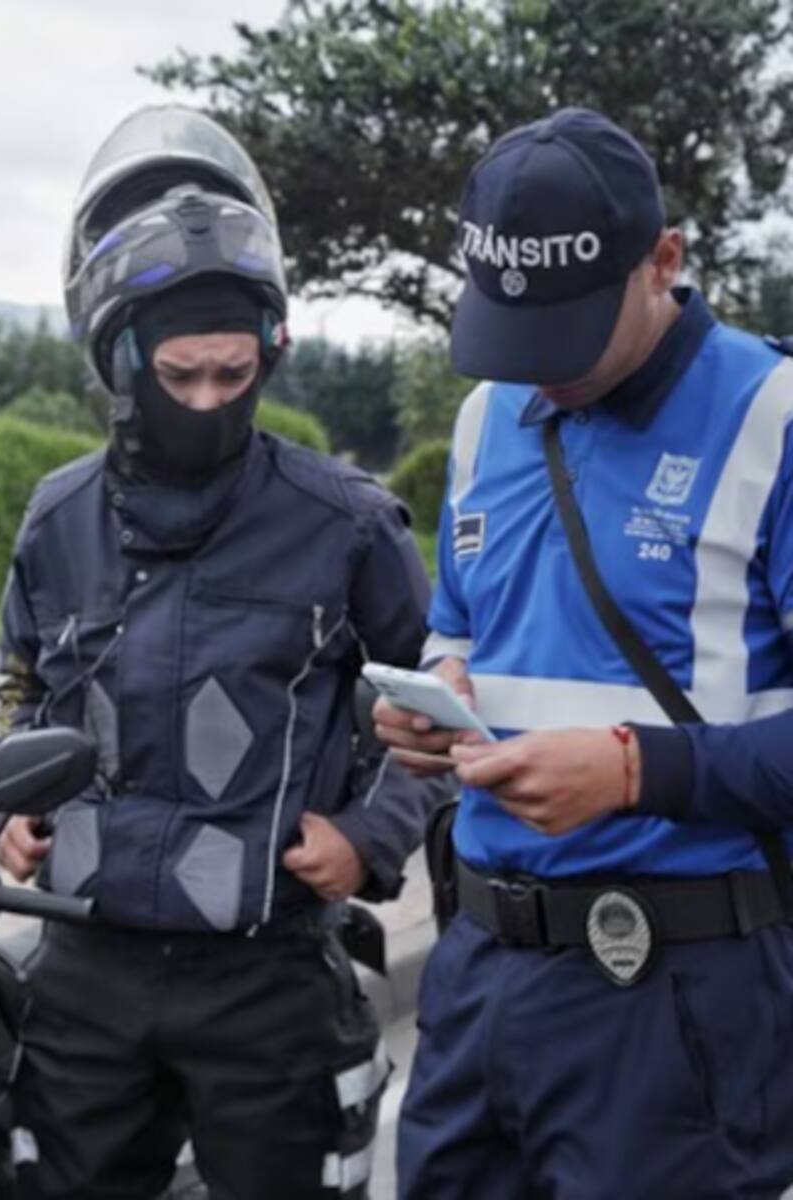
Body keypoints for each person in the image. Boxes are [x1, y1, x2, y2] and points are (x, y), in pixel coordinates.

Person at [0, 104, 440, 1200]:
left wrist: (370, 837)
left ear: (268, 355)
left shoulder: (348, 523)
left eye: (234, 376)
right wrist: (11, 800)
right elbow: (20, 683)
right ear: (120, 358)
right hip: (84, 972)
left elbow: (441, 715)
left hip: (269, 977)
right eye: (181, 376)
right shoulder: (57, 521)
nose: (207, 402)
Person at [375, 106, 793, 1199]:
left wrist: (634, 771)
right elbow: (462, 631)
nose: (536, 376)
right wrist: (433, 699)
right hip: (476, 979)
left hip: (678, 994)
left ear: (665, 262)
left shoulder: (772, 419)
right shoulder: (482, 423)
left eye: (568, 331)